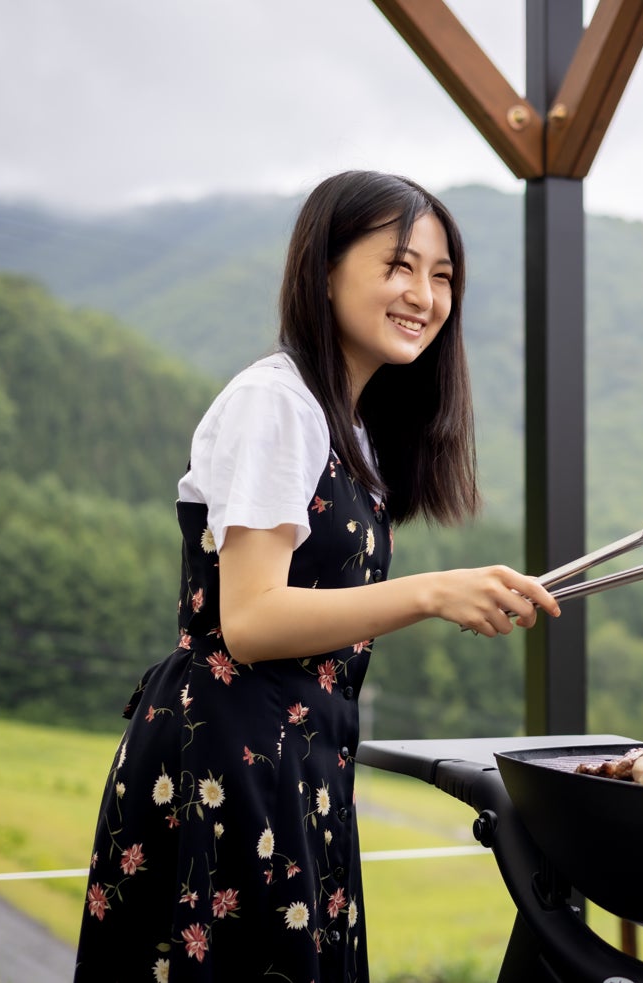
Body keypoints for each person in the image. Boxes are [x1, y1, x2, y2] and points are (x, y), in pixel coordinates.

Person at [73, 170, 560, 982]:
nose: (424, 295)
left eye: (442, 276)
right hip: (226, 760)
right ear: (325, 269)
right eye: (399, 266)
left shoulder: (349, 428)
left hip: (294, 761)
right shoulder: (277, 403)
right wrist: (435, 592)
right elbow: (251, 620)